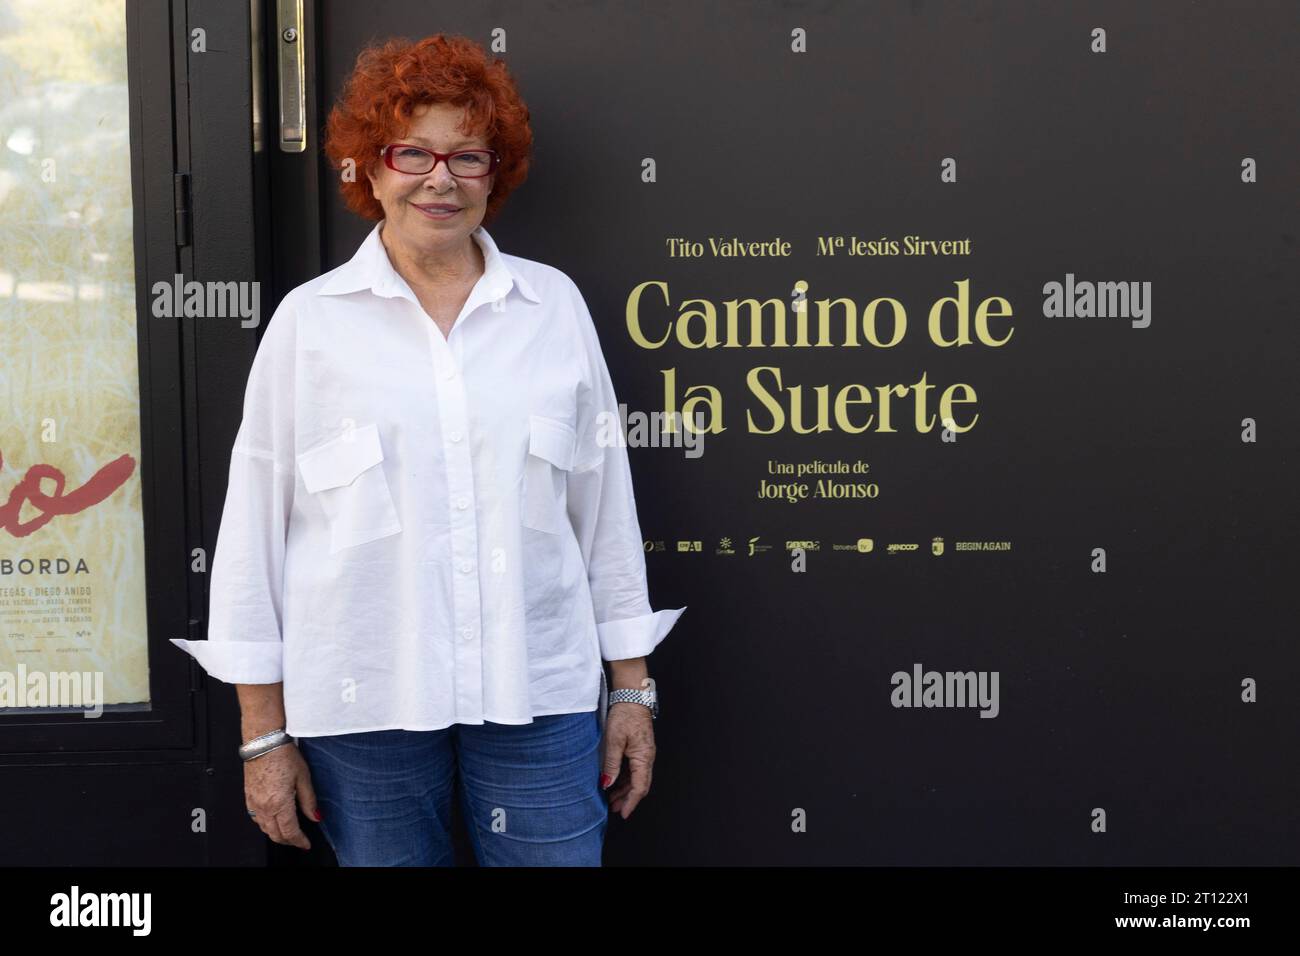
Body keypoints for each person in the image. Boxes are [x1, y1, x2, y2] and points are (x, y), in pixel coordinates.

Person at [171, 33, 685, 866]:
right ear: (369, 170)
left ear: (496, 175)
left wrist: (633, 693)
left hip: (538, 696)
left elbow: (605, 513)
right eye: (412, 152)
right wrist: (262, 737)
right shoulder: (310, 323)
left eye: (468, 157)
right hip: (362, 704)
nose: (439, 178)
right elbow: (252, 537)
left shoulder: (552, 308)